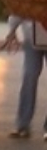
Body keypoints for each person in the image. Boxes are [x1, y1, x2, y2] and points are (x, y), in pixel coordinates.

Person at [10, 10, 47, 140]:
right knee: (29, 78)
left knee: (29, 77)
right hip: (32, 41)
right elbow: (17, 9)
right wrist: (12, 31)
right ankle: (23, 125)